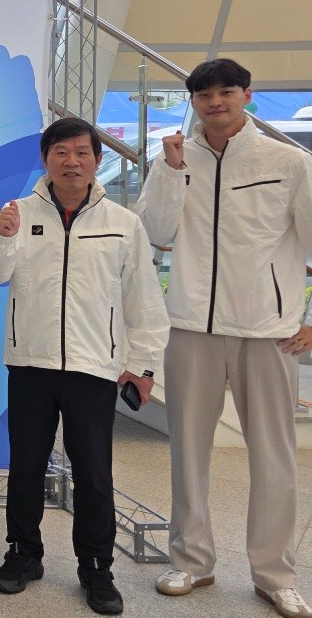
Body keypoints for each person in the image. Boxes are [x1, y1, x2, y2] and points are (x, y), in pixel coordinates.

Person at [136, 58, 312, 618]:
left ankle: (276, 574)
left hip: (269, 332)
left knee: (275, 458)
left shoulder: (288, 161)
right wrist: (171, 170)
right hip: (192, 328)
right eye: (204, 94)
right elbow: (156, 233)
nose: (216, 102)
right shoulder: (172, 159)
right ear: (192, 101)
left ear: (247, 95)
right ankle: (191, 560)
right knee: (188, 452)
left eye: (226, 92)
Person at [0, 118, 168, 616]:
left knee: (93, 472)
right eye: (61, 152)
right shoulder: (18, 212)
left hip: (94, 365)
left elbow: (143, 299)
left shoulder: (123, 223)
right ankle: (23, 553)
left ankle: (96, 566)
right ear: (45, 159)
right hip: (30, 362)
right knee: (25, 467)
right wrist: (2, 237)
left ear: (97, 160)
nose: (71, 162)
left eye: (82, 152)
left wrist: (143, 364)